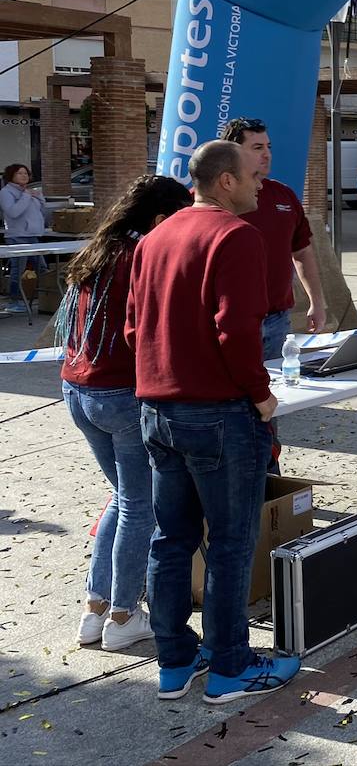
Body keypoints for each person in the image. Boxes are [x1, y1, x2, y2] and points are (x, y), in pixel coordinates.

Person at [126, 141, 298, 704]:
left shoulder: (154, 238)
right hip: (219, 413)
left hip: (157, 408)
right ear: (224, 181)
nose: (260, 183)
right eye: (252, 174)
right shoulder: (235, 236)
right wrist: (260, 394)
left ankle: (174, 661)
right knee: (228, 544)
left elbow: (135, 329)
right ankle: (229, 668)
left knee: (171, 539)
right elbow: (237, 330)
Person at [59, 175, 193, 652]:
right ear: (159, 220)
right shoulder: (141, 256)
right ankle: (122, 615)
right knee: (141, 506)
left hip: (78, 388)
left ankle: (96, 609)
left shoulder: (101, 249)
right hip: (118, 394)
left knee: (123, 497)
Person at [221, 119, 326, 361]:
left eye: (268, 147)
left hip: (278, 321)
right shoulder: (208, 200)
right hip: (232, 323)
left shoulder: (284, 195)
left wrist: (317, 302)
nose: (267, 155)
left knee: (279, 394)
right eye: (257, 148)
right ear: (232, 153)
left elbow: (301, 252)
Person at [2, 162, 51, 312]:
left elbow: (41, 212)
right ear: (11, 176)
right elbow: (13, 212)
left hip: (33, 236)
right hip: (17, 236)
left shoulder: (28, 192)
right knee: (18, 270)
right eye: (19, 173)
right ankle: (15, 301)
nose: (24, 176)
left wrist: (40, 198)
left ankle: (40, 299)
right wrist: (25, 197)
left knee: (41, 268)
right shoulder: (6, 192)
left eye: (25, 173)